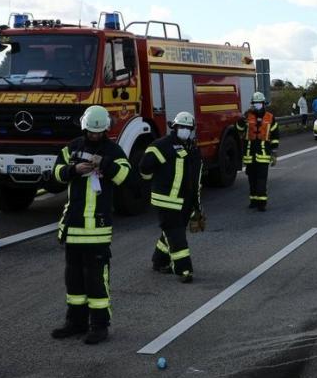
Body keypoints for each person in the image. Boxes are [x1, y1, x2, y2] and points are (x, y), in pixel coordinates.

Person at [50, 105, 131, 345]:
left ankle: (99, 326)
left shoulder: (113, 150)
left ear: (106, 129)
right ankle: (75, 323)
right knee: (73, 279)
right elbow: (55, 174)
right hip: (74, 226)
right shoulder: (72, 147)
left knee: (96, 279)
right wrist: (73, 169)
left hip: (98, 228)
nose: (95, 136)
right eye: (91, 132)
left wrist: (105, 164)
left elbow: (126, 178)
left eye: (99, 132)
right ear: (84, 128)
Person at [140, 111, 203, 282]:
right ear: (174, 127)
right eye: (181, 127)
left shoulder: (193, 149)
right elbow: (145, 167)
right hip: (166, 201)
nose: (184, 130)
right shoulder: (162, 145)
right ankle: (183, 270)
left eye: (187, 128)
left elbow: (196, 179)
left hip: (185, 202)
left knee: (171, 231)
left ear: (192, 130)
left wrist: (197, 207)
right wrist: (153, 183)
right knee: (176, 235)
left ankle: (159, 261)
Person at [236, 91, 280, 211]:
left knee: (261, 180)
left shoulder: (270, 118)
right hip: (250, 156)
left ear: (263, 103)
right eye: (255, 103)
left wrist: (274, 152)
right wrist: (241, 120)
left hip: (263, 155)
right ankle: (254, 201)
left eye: (259, 103)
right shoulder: (247, 116)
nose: (257, 105)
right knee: (252, 180)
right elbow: (239, 130)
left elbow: (275, 136)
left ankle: (262, 203)